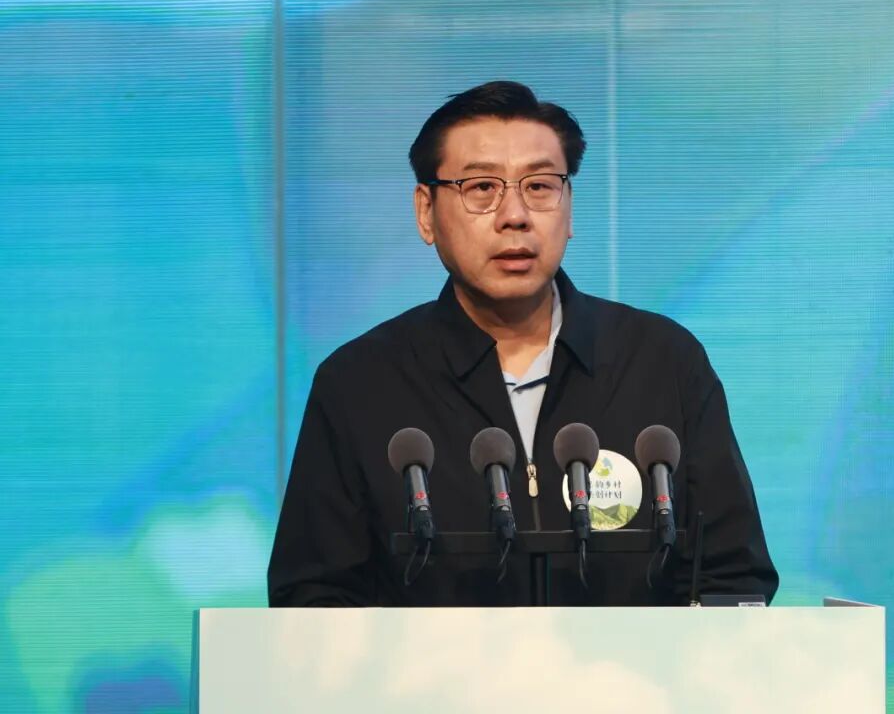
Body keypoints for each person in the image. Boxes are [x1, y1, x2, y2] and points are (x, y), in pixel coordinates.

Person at [267, 81, 778, 606]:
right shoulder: (360, 384)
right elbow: (314, 599)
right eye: (481, 187)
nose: (515, 215)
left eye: (539, 186)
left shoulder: (663, 362)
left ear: (569, 208)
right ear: (426, 212)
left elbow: (733, 579)